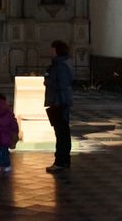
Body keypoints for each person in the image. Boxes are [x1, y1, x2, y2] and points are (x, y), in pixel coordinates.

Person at [44, 39, 73, 172]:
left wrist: (48, 79)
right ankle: (63, 161)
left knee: (61, 134)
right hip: (60, 102)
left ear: (56, 50)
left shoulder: (60, 66)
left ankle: (61, 161)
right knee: (63, 133)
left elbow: (60, 85)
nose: (50, 51)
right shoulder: (61, 64)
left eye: (52, 49)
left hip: (59, 102)